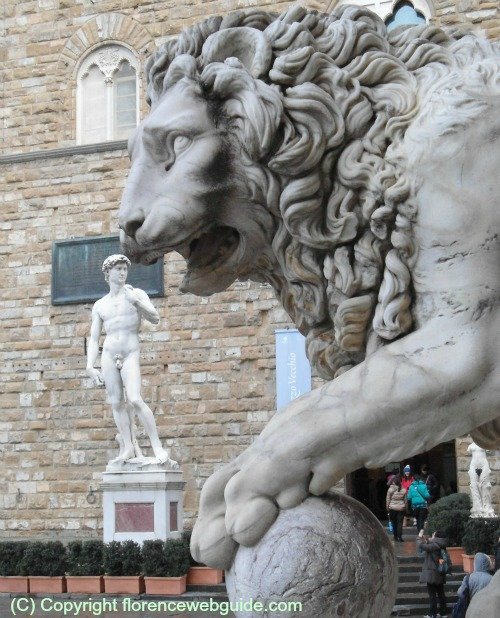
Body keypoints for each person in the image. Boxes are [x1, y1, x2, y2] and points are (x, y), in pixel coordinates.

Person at [87, 254, 177, 467]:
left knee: (135, 399)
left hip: (129, 353)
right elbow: (93, 338)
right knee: (116, 402)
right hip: (109, 354)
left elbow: (155, 318)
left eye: (124, 269)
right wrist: (90, 366)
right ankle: (128, 447)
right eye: (118, 268)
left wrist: (136, 302)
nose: (122, 272)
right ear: (108, 273)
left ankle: (157, 447)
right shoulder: (100, 305)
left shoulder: (136, 294)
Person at [418, 528, 449, 618]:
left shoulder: (435, 545)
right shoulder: (441, 544)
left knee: (432, 594)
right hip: (440, 572)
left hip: (432, 573)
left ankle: (432, 614)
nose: (432, 536)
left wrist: (419, 537)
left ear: (437, 537)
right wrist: (425, 539)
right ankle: (443, 613)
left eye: (433, 534)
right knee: (440, 593)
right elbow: (429, 543)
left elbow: (422, 546)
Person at [386, 474, 407, 542]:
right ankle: (400, 537)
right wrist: (406, 508)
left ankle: (395, 536)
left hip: (392, 508)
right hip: (401, 508)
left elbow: (388, 500)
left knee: (394, 523)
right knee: (400, 523)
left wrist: (387, 508)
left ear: (394, 482)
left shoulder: (390, 489)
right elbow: (405, 500)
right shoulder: (403, 489)